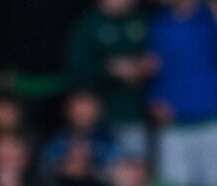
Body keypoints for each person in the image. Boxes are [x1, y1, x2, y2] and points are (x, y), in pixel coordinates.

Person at [146, 0, 217, 186]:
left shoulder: (211, 19)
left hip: (212, 122)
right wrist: (153, 100)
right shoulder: (157, 23)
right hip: (173, 125)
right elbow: (151, 68)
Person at [66, 0, 155, 159]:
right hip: (100, 119)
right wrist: (110, 68)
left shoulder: (140, 20)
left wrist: (143, 66)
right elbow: (76, 69)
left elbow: (155, 55)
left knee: (135, 170)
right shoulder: (89, 25)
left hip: (136, 113)